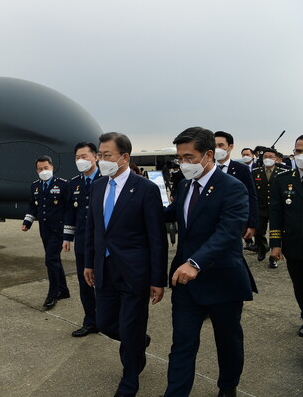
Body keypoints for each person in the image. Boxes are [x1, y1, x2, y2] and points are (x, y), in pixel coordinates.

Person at [163, 127, 257, 397]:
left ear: (207, 155)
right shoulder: (184, 185)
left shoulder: (232, 188)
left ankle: (228, 387)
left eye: (189, 157)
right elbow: (172, 213)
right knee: (182, 343)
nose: (184, 164)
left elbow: (227, 233)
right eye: (180, 158)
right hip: (185, 283)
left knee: (227, 341)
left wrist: (195, 263)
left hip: (222, 280)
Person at [83, 132, 167, 397]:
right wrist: (89, 263)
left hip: (134, 273)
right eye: (99, 154)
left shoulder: (145, 189)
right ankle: (138, 342)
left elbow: (157, 239)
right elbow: (93, 229)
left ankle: (130, 380)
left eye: (106, 155)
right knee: (106, 323)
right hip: (104, 269)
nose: (101, 159)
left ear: (124, 157)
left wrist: (158, 280)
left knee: (130, 326)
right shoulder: (97, 186)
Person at [22, 155, 70, 309]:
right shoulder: (35, 186)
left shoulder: (63, 185)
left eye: (46, 168)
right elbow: (33, 206)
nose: (43, 171)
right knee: (54, 260)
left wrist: (69, 232)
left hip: (58, 229)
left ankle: (53, 294)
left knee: (50, 260)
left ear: (52, 167)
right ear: (36, 170)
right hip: (45, 229)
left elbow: (69, 209)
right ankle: (63, 290)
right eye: (40, 169)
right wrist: (27, 222)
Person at [63, 142, 100, 337]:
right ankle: (90, 321)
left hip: (103, 242)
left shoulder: (106, 179)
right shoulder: (74, 184)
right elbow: (70, 212)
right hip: (83, 241)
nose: (81, 161)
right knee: (85, 282)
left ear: (95, 157)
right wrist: (67, 237)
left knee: (104, 282)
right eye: (77, 157)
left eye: (85, 156)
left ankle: (108, 319)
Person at [269, 135, 303, 338]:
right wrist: (275, 244)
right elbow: (276, 213)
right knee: (300, 285)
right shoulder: (283, 180)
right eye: (298, 151)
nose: (301, 155)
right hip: (295, 245)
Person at [214, 131, 258, 251]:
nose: (217, 149)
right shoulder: (206, 168)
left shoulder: (241, 169)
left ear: (230, 146)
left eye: (221, 145)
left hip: (233, 222)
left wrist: (252, 224)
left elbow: (251, 197)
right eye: (214, 145)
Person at [252, 148, 288, 267]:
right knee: (259, 231)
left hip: (277, 208)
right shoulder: (255, 172)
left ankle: (274, 258)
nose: (268, 159)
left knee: (275, 233)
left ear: (276, 159)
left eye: (271, 157)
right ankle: (263, 248)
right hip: (261, 208)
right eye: (265, 157)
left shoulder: (283, 172)